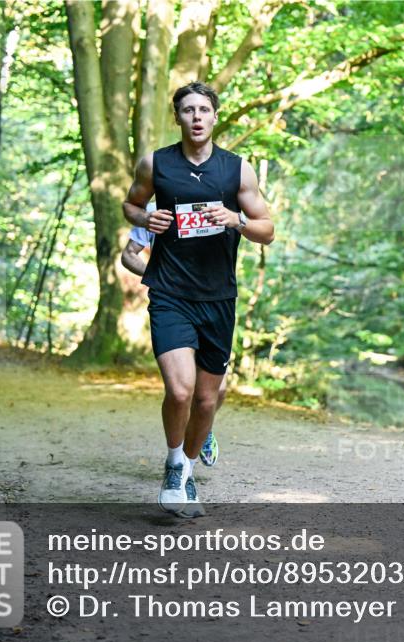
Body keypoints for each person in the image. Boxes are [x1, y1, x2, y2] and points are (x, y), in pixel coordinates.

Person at [122, 81, 274, 516]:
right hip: (170, 291)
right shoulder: (156, 164)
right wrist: (147, 218)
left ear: (214, 116)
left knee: (208, 399)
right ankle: (174, 464)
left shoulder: (236, 170)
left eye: (203, 109)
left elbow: (268, 229)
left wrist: (236, 219)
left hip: (218, 297)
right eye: (188, 110)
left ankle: (188, 470)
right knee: (181, 388)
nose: (196, 117)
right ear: (178, 117)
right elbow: (130, 206)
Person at [120, 207, 224, 469]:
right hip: (172, 306)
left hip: (214, 304)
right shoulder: (157, 210)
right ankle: (176, 463)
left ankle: (203, 427)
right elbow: (128, 254)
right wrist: (155, 277)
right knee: (181, 390)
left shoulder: (218, 205)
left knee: (217, 391)